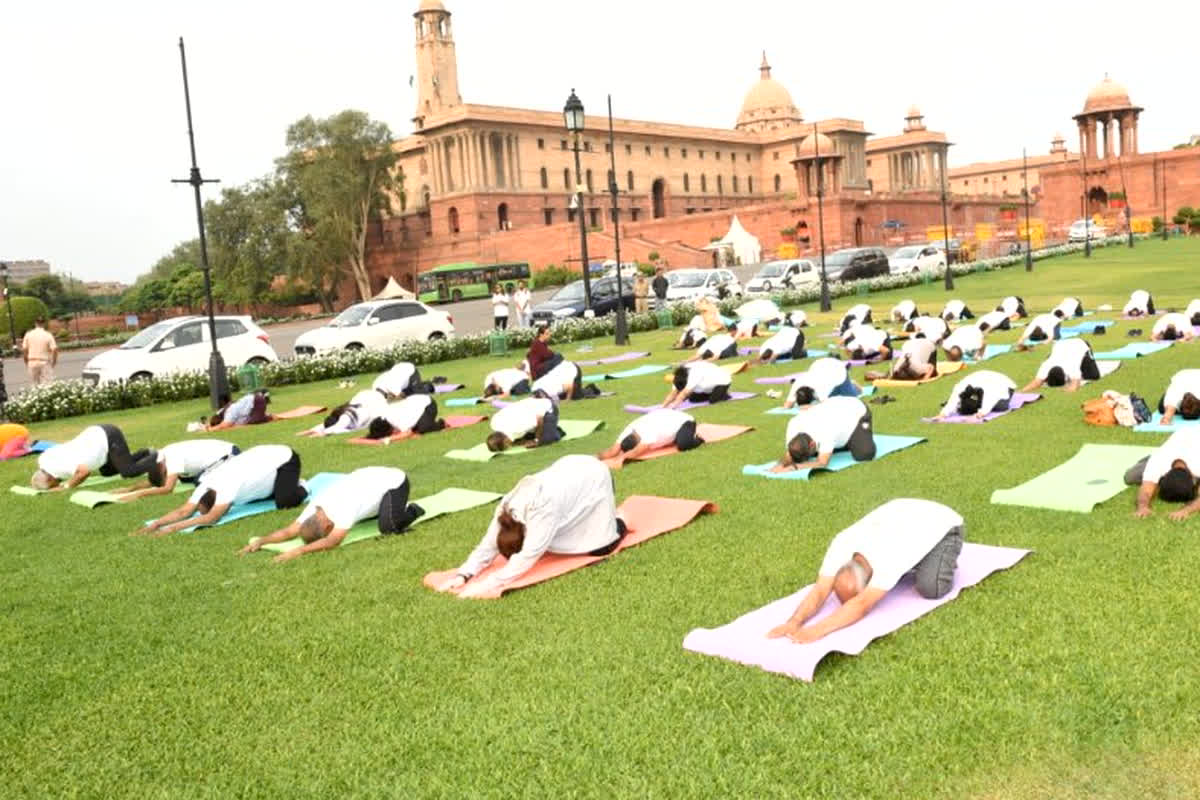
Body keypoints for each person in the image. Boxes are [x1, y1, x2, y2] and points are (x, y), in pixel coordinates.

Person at [766, 499, 965, 643]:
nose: (844, 606)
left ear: (870, 581)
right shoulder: (841, 544)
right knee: (906, 564)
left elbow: (861, 605)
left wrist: (816, 631)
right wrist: (794, 622)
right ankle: (925, 558)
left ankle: (942, 557)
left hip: (944, 522)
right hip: (903, 513)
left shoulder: (889, 558)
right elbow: (820, 590)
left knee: (931, 588)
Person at [434, 454, 626, 598]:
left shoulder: (543, 509)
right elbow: (487, 547)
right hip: (569, 475)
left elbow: (527, 557)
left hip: (594, 474)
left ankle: (618, 520)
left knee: (602, 546)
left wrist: (486, 584)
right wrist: (463, 575)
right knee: (560, 534)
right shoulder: (504, 510)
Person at [241, 467, 423, 562]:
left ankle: (412, 510)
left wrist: (298, 551)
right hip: (370, 480)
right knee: (373, 514)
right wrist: (262, 541)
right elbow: (289, 531)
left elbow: (332, 541)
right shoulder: (314, 508)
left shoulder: (343, 510)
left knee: (389, 527)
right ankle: (381, 509)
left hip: (395, 481)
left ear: (328, 526)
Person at [136, 445, 307, 536]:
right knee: (255, 495)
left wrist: (171, 529)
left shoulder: (226, 487)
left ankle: (301, 486)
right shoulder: (204, 485)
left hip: (284, 458)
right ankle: (276, 487)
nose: (198, 513)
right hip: (260, 460)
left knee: (285, 502)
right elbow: (184, 511)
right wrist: (156, 524)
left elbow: (212, 518)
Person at [29, 424, 157, 491]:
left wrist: (66, 486)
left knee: (128, 471)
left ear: (50, 479)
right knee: (108, 472)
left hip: (107, 437)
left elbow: (84, 472)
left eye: (53, 486)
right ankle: (145, 453)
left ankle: (157, 458)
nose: (57, 485)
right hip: (96, 433)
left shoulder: (60, 469)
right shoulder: (42, 460)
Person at [769, 395, 876, 473]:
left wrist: (794, 468)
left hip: (857, 411)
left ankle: (855, 437)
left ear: (811, 444)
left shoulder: (826, 430)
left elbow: (822, 463)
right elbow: (790, 453)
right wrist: (780, 465)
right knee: (802, 454)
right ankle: (843, 442)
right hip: (832, 409)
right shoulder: (793, 424)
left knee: (865, 454)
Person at [115, 439, 240, 501]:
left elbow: (168, 488)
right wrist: (129, 489)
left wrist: (138, 494)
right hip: (220, 453)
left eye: (166, 476)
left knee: (200, 481)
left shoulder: (173, 459)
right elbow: (155, 481)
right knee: (184, 479)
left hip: (230, 454)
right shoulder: (161, 457)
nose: (169, 477)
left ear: (164, 470)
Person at [1126, 428, 1200, 519]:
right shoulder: (1159, 461)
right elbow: (1146, 490)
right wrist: (1142, 507)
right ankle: (1148, 459)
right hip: (1167, 451)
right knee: (1130, 477)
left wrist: (1186, 510)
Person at [597, 408, 703, 466]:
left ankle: (698, 439)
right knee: (674, 439)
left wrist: (621, 458)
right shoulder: (628, 430)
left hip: (685, 421)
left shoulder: (647, 435)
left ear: (637, 444)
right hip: (667, 418)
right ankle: (675, 437)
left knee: (683, 445)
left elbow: (636, 452)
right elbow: (612, 451)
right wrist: (597, 457)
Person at [1019, 338, 1100, 393]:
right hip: (1060, 345)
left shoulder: (1071, 366)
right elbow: (1036, 382)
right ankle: (1050, 355)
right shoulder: (1046, 365)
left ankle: (1085, 358)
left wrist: (1068, 389)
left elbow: (1074, 385)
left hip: (1080, 344)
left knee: (1094, 376)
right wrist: (1021, 391)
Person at [485, 395, 563, 452]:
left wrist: (536, 440)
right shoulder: (494, 424)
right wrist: (522, 442)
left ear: (505, 441)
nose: (509, 446)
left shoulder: (518, 428)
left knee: (545, 441)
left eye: (506, 446)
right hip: (530, 406)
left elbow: (539, 419)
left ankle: (555, 430)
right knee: (526, 438)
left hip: (548, 409)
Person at [299, 389, 389, 436]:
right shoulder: (343, 412)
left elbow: (337, 427)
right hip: (372, 399)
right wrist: (311, 430)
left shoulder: (346, 416)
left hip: (377, 404)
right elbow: (327, 425)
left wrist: (322, 433)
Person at [935, 370, 1017, 420]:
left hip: (1006, 386)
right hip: (980, 392)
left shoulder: (988, 387)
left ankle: (977, 405)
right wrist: (943, 414)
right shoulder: (962, 385)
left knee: (1000, 407)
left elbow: (991, 398)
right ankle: (974, 404)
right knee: (966, 409)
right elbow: (955, 396)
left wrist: (980, 414)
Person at [364, 393, 446, 440]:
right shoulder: (384, 417)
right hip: (415, 405)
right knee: (416, 429)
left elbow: (407, 433)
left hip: (428, 404)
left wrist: (389, 439)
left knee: (423, 429)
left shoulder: (397, 421)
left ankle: (441, 423)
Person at [784, 357, 857, 408]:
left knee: (851, 399)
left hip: (838, 370)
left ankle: (853, 383)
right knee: (834, 395)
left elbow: (825, 406)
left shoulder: (821, 389)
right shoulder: (797, 384)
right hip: (819, 365)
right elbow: (787, 405)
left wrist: (810, 407)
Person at [663, 361, 732, 408]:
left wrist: (674, 405)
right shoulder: (677, 378)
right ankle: (714, 393)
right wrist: (663, 406)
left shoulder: (694, 374)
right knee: (693, 399)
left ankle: (725, 394)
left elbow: (684, 393)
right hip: (707, 384)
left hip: (722, 380)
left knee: (713, 400)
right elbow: (673, 393)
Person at [866, 337, 937, 382]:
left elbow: (931, 367)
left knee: (933, 373)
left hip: (925, 346)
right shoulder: (913, 368)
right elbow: (930, 367)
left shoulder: (916, 368)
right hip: (911, 348)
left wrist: (924, 379)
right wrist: (924, 380)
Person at [205, 391, 273, 431]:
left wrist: (211, 429)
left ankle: (270, 417)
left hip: (256, 402)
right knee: (247, 421)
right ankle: (269, 416)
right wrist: (209, 425)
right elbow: (216, 416)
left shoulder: (229, 413)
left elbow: (224, 425)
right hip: (254, 402)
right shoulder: (223, 411)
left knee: (251, 424)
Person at [21, 317, 57, 386]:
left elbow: (24, 349)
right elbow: (54, 349)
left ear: (35, 323)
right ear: (43, 324)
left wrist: (26, 361)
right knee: (47, 385)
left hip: (32, 361)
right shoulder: (47, 335)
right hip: (44, 361)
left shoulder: (28, 334)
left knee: (34, 385)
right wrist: (53, 362)